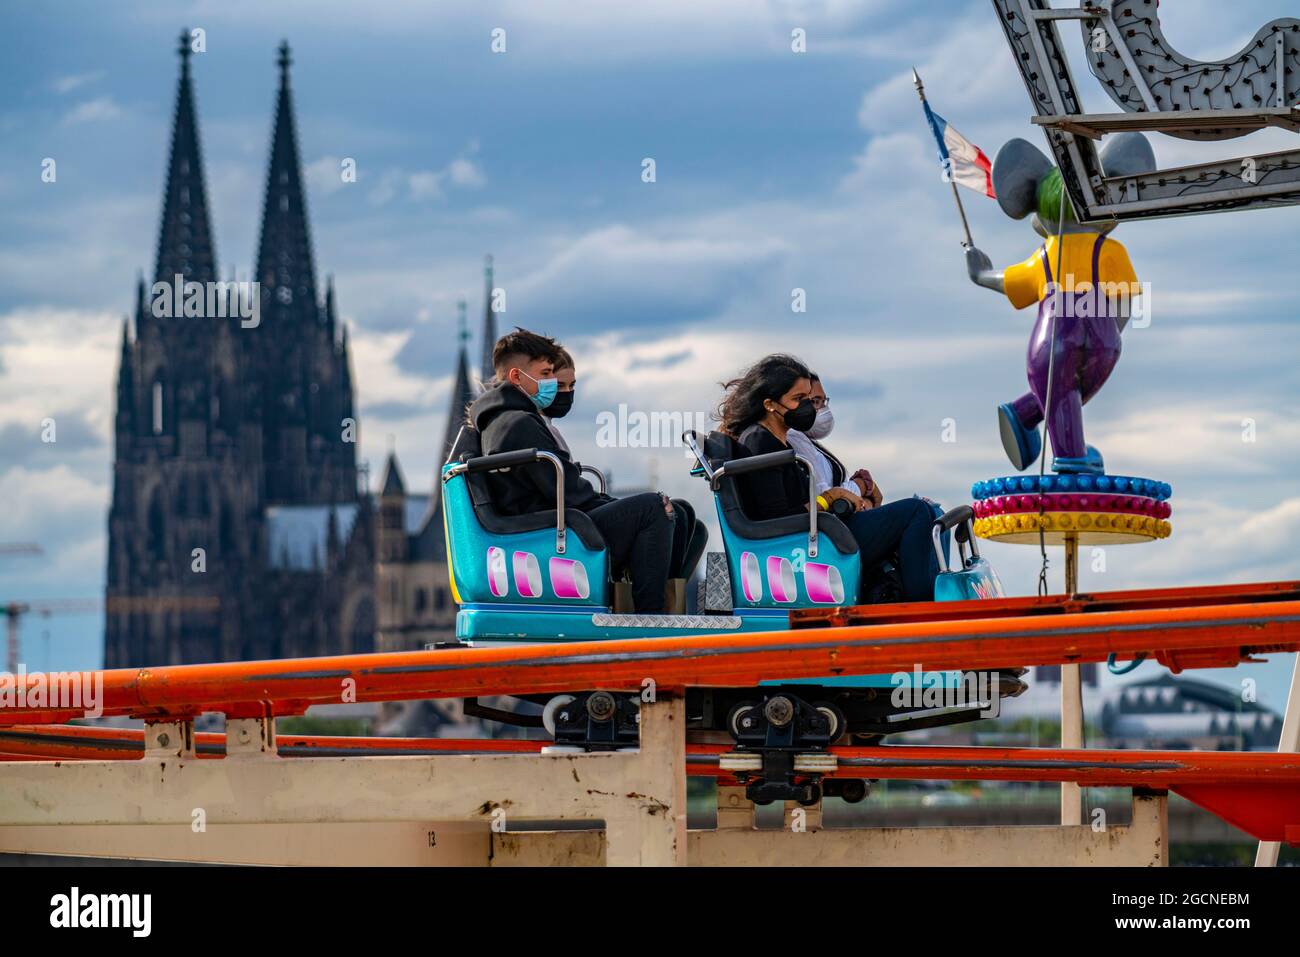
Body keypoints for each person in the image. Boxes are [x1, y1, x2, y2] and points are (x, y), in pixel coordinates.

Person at [466, 328, 687, 613]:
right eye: (545, 374)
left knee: (678, 513)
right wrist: (626, 508)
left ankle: (668, 609)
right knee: (652, 509)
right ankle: (650, 618)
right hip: (546, 536)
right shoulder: (518, 424)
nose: (551, 382)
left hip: (552, 523)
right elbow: (569, 493)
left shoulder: (509, 419)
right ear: (517, 377)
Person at [715, 354, 940, 602]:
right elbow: (777, 516)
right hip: (803, 546)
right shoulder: (759, 440)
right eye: (798, 399)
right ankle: (924, 606)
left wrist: (840, 502)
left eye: (809, 399)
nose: (807, 407)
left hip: (819, 533)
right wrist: (830, 499)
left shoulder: (779, 440)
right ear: (770, 404)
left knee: (930, 511)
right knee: (915, 512)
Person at [545, 345, 708, 588]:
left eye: (572, 386)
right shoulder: (531, 426)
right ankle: (649, 610)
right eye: (559, 386)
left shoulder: (548, 428)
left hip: (578, 512)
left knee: (683, 514)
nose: (567, 393)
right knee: (655, 507)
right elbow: (568, 493)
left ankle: (669, 600)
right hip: (569, 523)